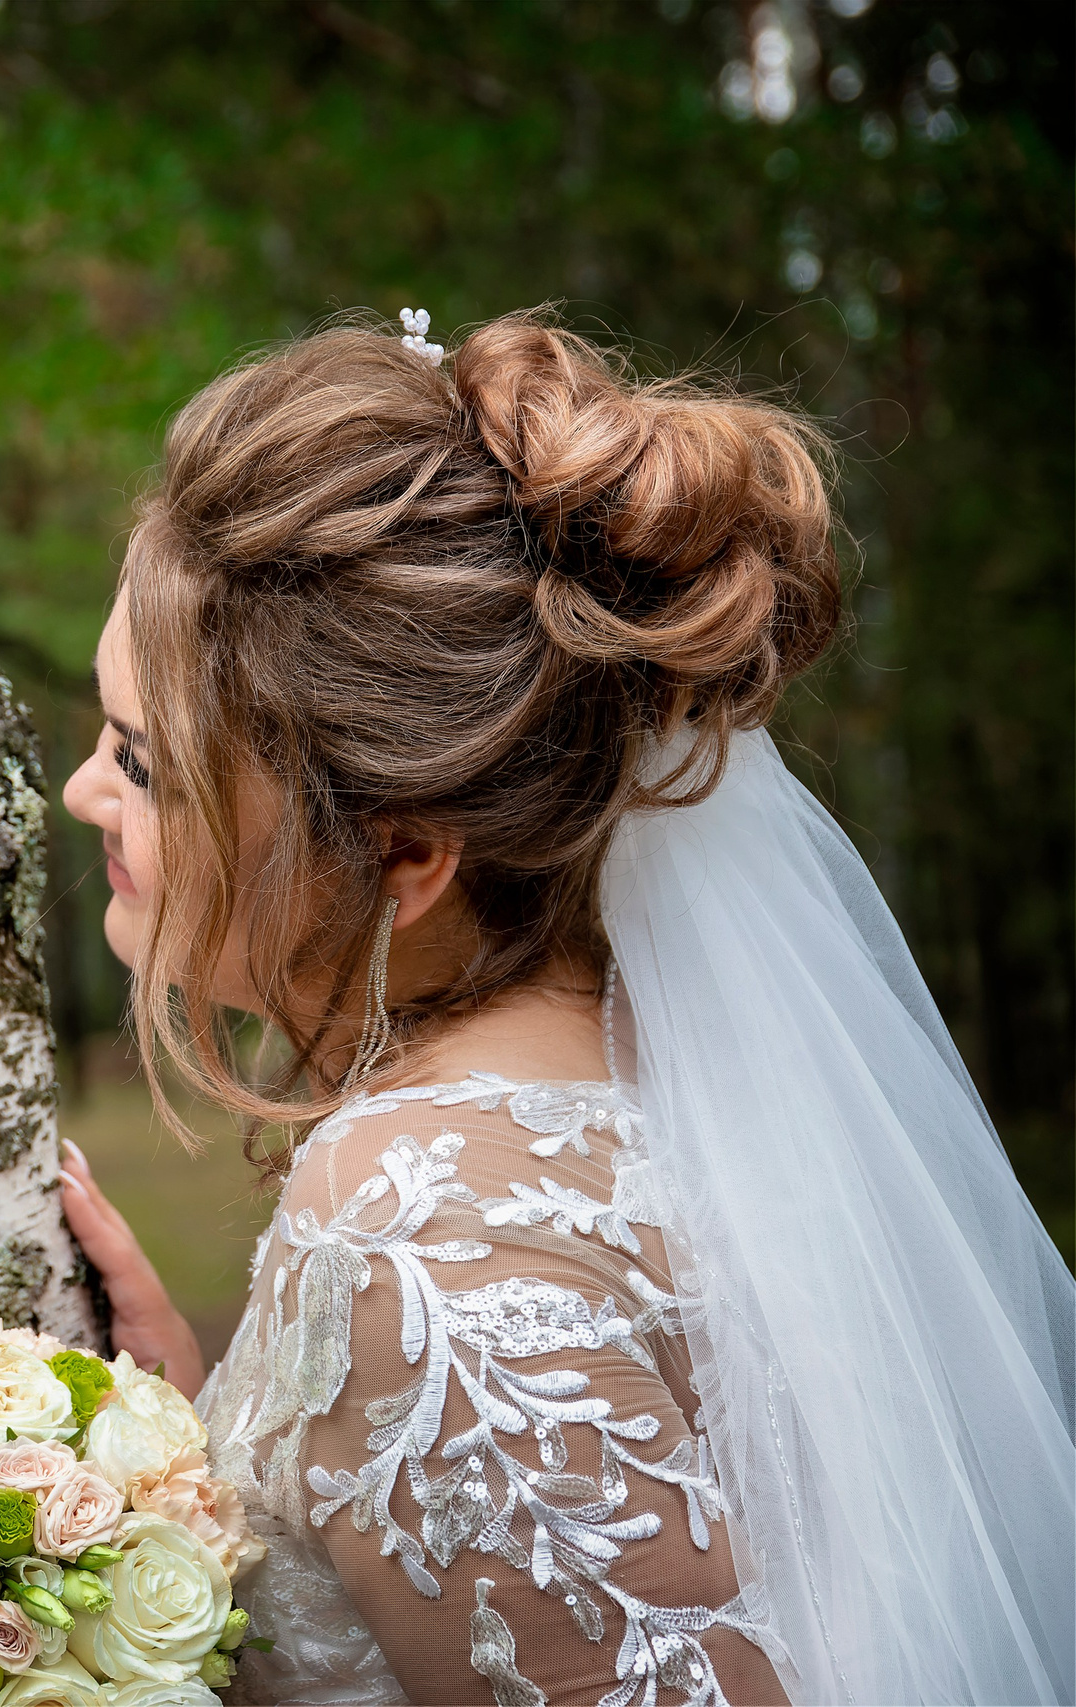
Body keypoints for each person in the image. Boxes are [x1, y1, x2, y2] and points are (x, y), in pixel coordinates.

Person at [52, 312, 1075, 1705]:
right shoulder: (653, 1053)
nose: (83, 793)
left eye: (145, 763)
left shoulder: (411, 1234)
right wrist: (203, 1466)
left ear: (406, 854)